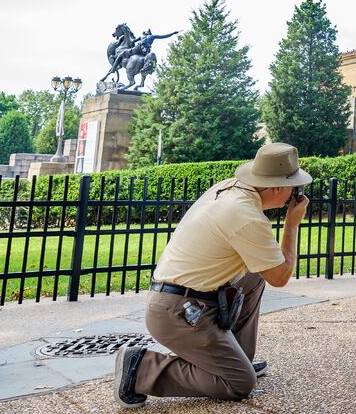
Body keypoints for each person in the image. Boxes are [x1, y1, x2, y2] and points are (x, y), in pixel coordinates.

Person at [113, 143, 312, 407]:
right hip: (178, 313)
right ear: (276, 187)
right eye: (294, 187)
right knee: (240, 384)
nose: (294, 194)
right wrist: (292, 224)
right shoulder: (246, 216)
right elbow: (280, 276)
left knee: (252, 278)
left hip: (183, 299)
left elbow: (262, 268)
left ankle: (235, 357)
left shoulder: (229, 187)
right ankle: (141, 368)